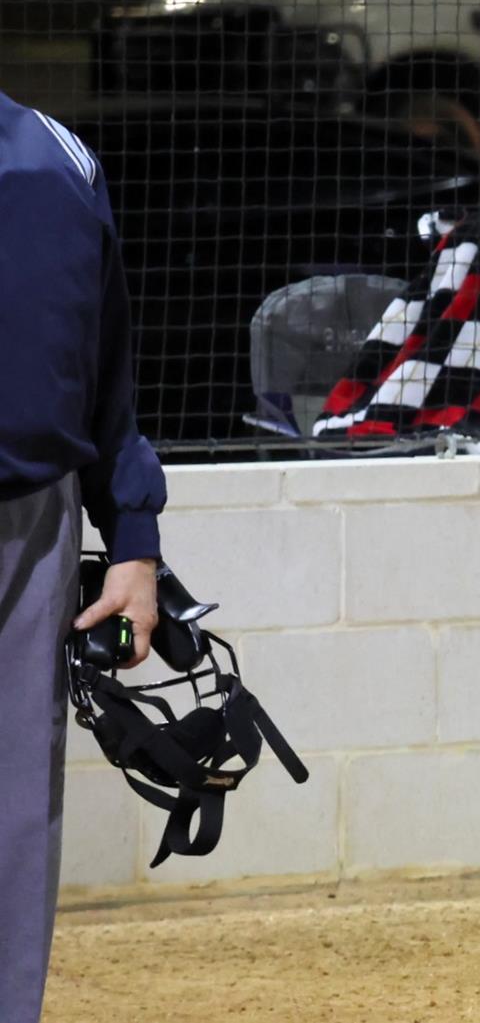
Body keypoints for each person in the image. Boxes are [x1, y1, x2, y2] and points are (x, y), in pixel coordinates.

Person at [0, 92, 167, 1023]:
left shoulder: (58, 155)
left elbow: (108, 371)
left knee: (16, 814)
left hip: (34, 522)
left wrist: (132, 539)